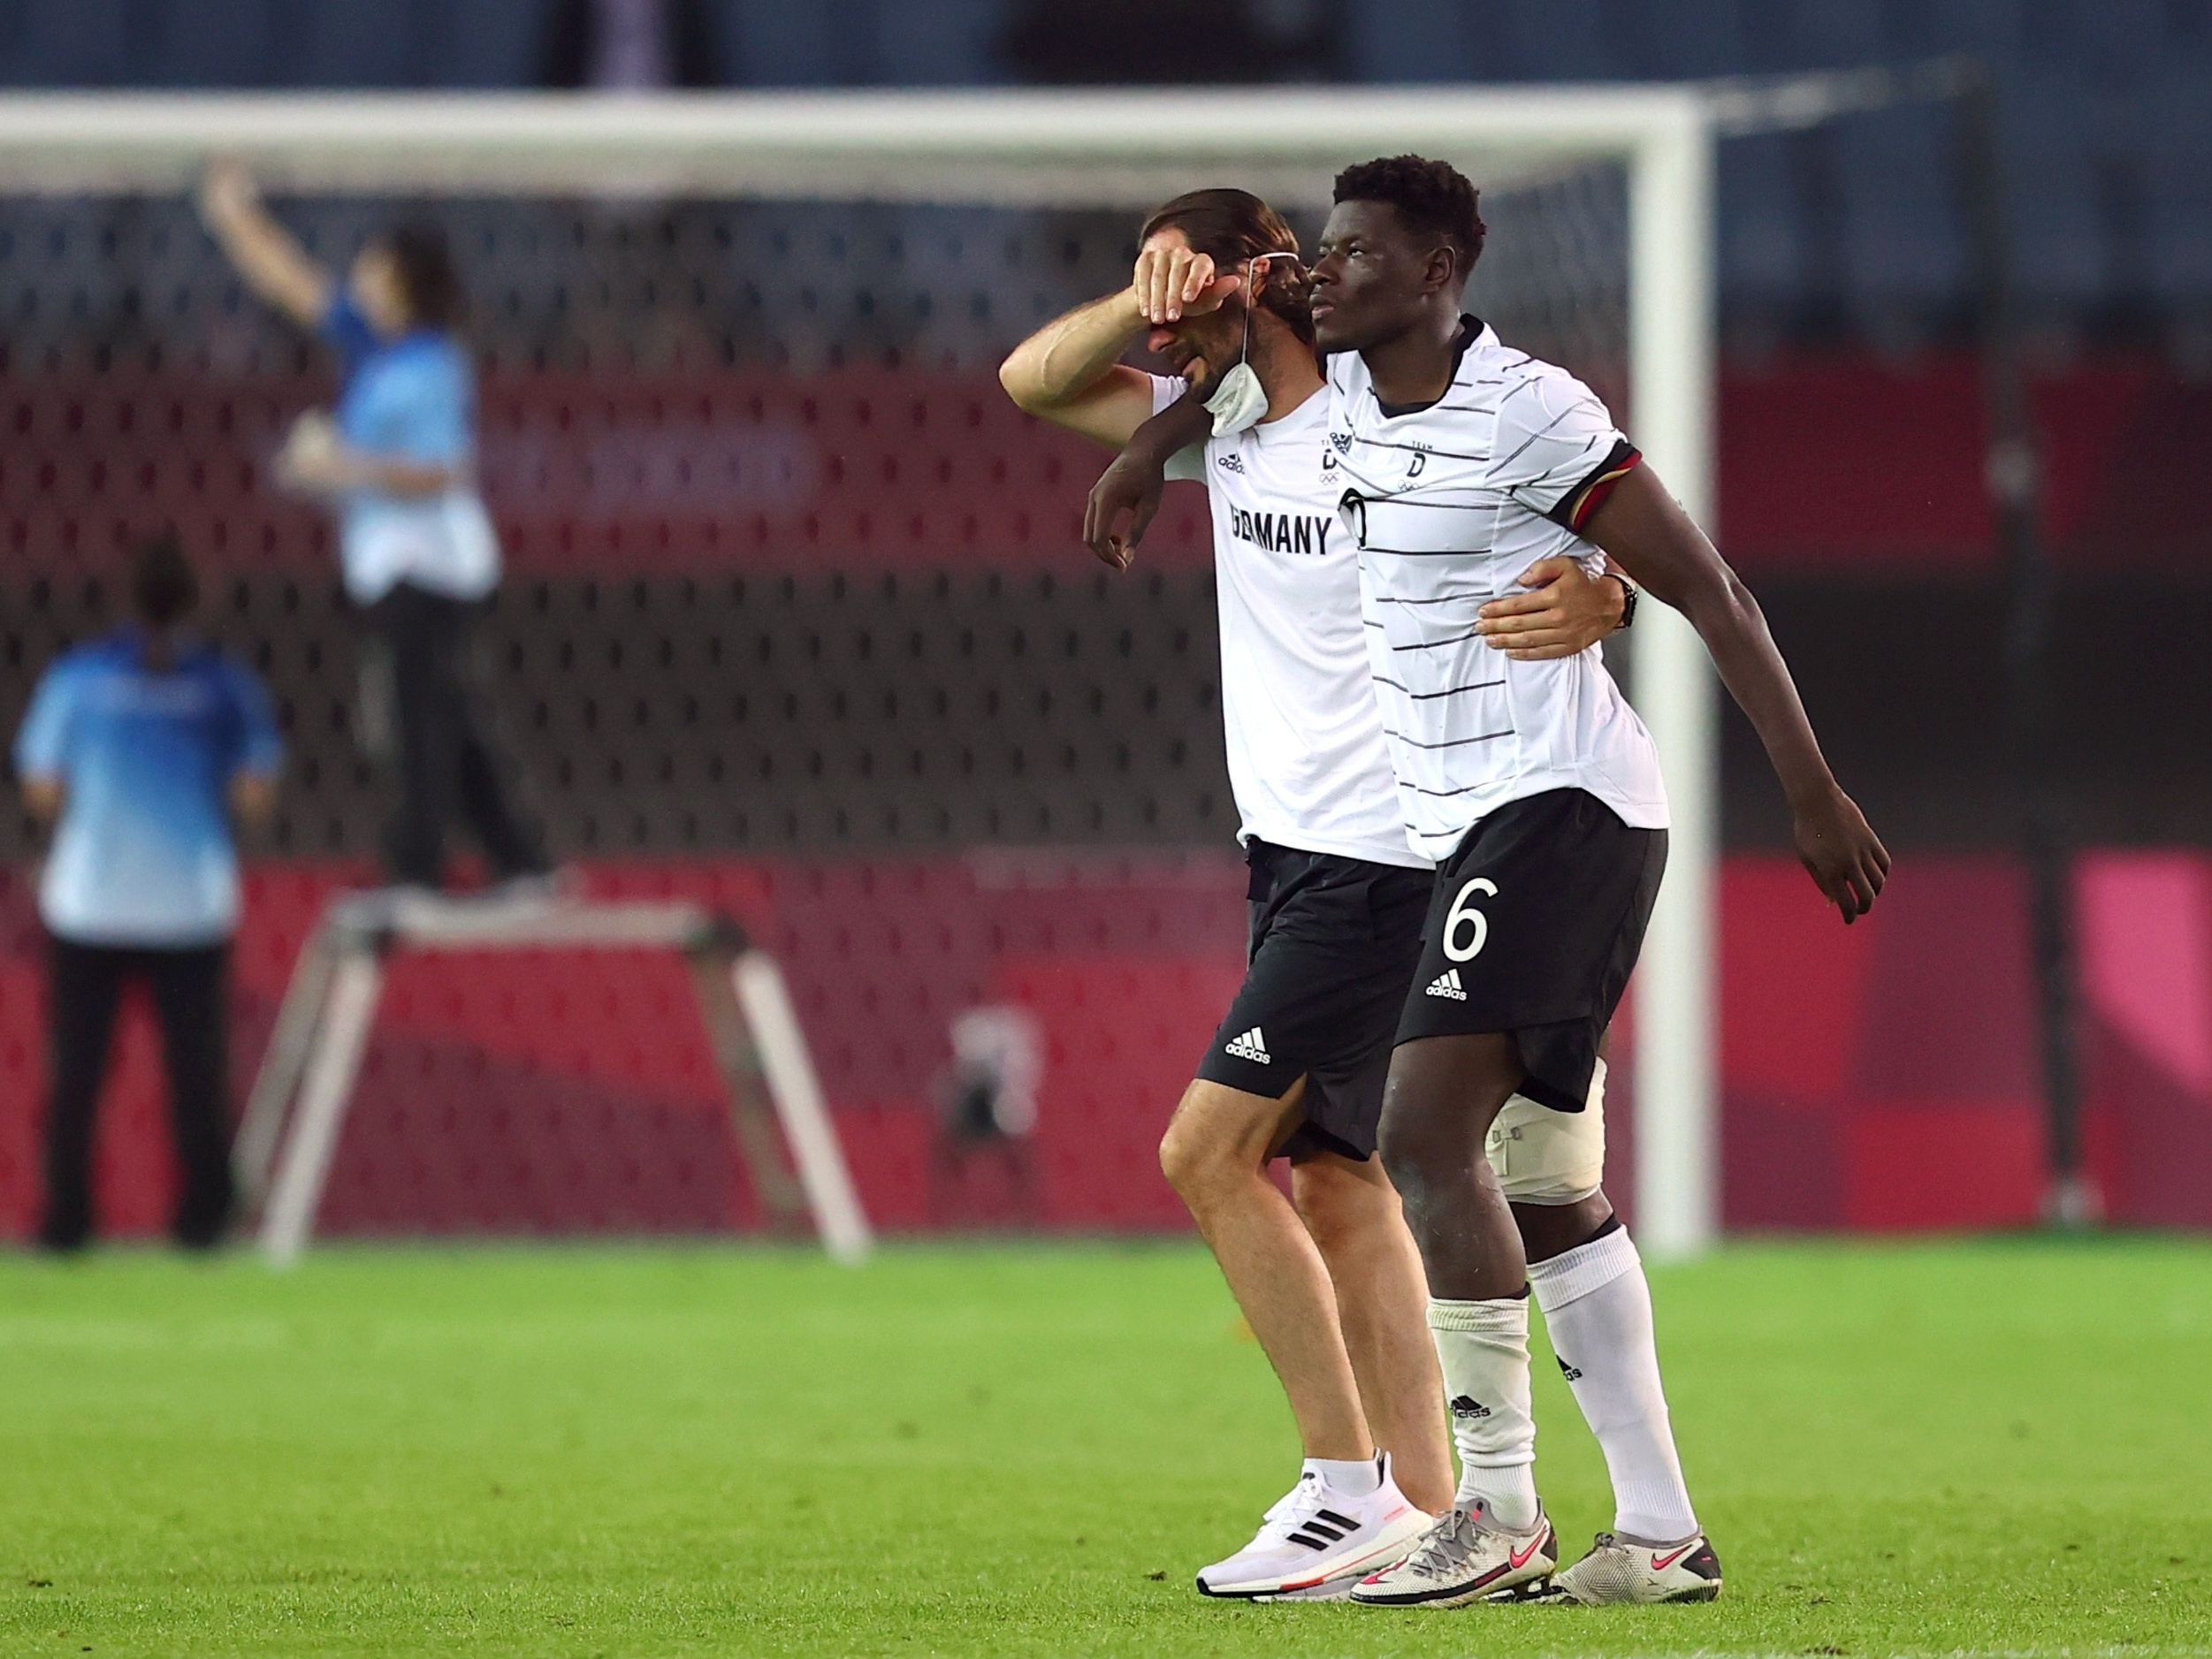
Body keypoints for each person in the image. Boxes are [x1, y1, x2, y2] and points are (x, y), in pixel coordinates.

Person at [1262, 154, 1881, 1609]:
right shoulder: (1338, 393)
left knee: (1421, 1137)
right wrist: (1123, 454)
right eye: (1318, 248)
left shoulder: (1527, 410)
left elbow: (1709, 585)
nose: (1323, 271)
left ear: (1433, 274)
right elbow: (1165, 382)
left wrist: (1807, 789)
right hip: (1450, 828)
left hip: (1562, 810)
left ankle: (1493, 1507)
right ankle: (1659, 1534)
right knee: (1540, 1181)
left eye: (1353, 253)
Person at [1003, 189, 1627, 1601]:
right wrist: (1144, 306)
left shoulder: (1383, 415)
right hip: (1288, 855)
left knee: (1204, 1156)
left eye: (1189, 290)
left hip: (1384, 857)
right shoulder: (1219, 425)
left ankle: (1341, 1490)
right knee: (1339, 1180)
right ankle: (1422, 1500)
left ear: (1258, 280)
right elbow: (1032, 382)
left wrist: (1602, 594)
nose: (1163, 336)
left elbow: (1548, 515)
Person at [197, 162, 551, 896]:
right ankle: (518, 859)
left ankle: (418, 868)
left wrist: (340, 467)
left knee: (413, 718)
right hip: (392, 564)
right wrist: (233, 214)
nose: (357, 274)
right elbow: (289, 281)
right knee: (441, 717)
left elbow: (445, 471)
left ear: (403, 284)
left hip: (436, 566)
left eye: (372, 267)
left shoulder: (432, 362)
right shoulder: (370, 345)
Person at [12, 540, 282, 1252]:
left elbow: (41, 784)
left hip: (90, 903)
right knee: (197, 1073)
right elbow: (255, 791)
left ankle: (66, 1222)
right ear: (199, 601)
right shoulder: (224, 686)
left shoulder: (79, 678)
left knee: (76, 1072)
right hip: (189, 905)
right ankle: (205, 1221)